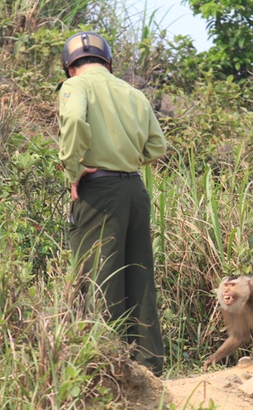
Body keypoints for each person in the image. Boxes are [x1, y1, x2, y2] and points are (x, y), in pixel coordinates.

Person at [57, 31, 167, 376]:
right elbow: (157, 147)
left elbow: (74, 120)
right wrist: (125, 157)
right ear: (108, 62)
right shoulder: (133, 93)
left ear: (69, 67)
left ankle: (103, 362)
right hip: (135, 190)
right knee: (139, 274)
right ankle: (148, 365)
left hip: (99, 189)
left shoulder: (75, 87)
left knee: (97, 273)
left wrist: (74, 169)